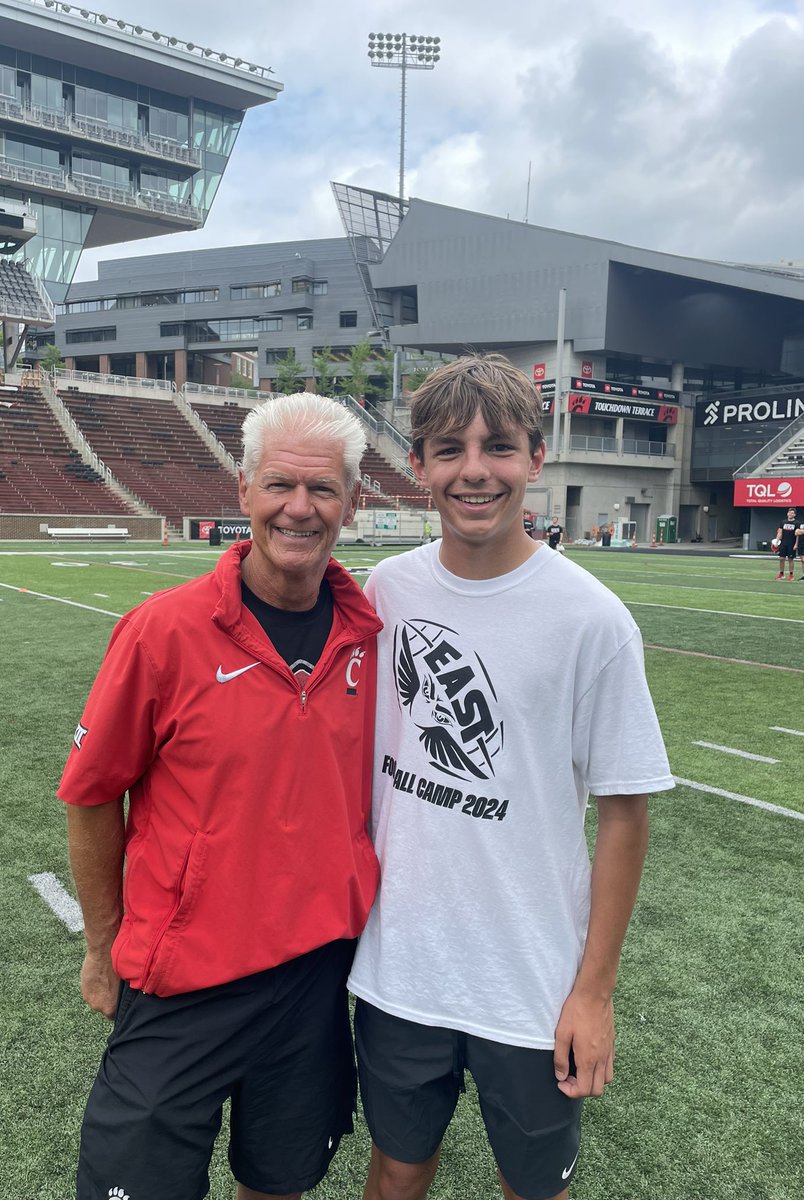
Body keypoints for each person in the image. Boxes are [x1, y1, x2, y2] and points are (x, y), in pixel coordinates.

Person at [348, 354, 673, 1200]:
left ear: (536, 456)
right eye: (449, 450)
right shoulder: (387, 591)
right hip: (400, 968)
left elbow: (625, 815)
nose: (475, 470)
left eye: (498, 447)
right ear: (417, 465)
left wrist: (594, 993)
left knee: (533, 1188)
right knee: (395, 1172)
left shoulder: (592, 618)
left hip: (531, 979)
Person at [59, 392, 382, 1200]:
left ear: (352, 502)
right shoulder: (162, 631)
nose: (300, 508)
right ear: (243, 490)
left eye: (322, 489)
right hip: (181, 981)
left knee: (279, 1181)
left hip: (312, 978)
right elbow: (92, 795)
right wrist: (101, 946)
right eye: (279, 485)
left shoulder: (374, 638)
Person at [774, 507, 798, 579]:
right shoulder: (783, 522)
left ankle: (791, 574)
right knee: (781, 558)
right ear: (787, 513)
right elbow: (780, 532)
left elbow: (797, 535)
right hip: (783, 543)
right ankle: (781, 574)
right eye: (789, 513)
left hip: (792, 543)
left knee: (790, 559)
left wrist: (796, 544)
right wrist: (776, 542)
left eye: (792, 513)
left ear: (794, 515)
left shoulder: (797, 523)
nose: (790, 514)